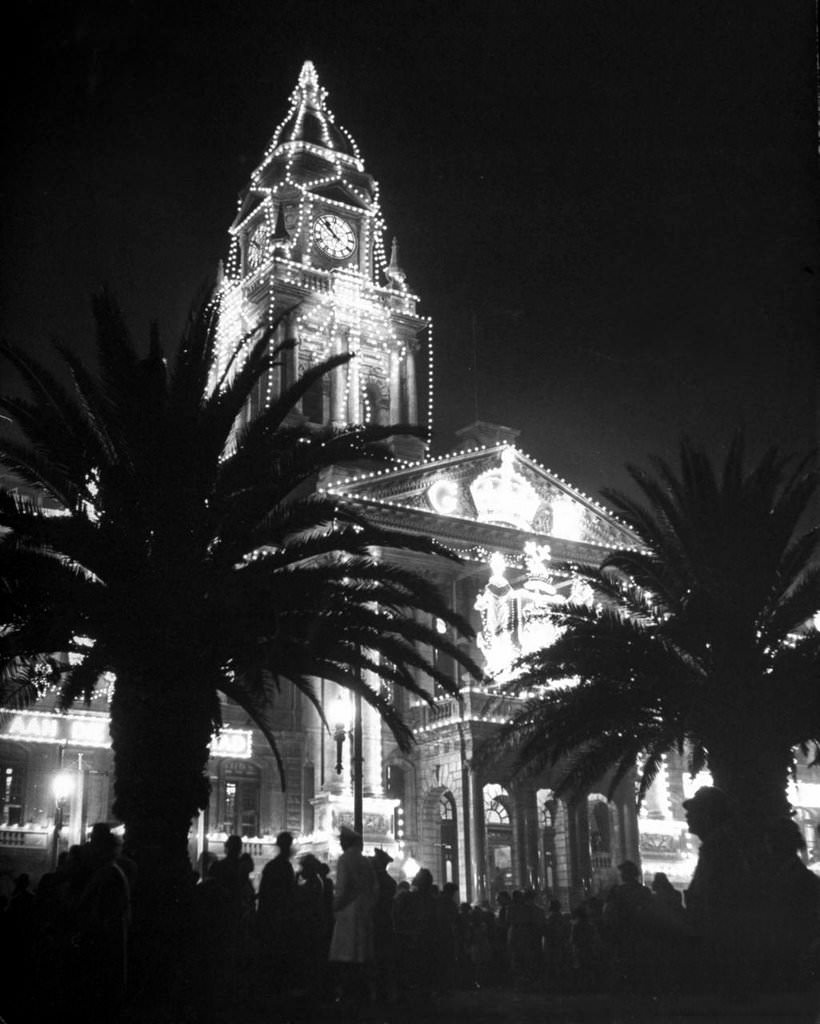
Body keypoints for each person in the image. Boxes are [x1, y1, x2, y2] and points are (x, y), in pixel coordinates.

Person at [328, 825, 377, 1018]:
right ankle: (363, 1000)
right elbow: (375, 889)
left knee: (346, 960)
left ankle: (347, 1001)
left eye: (341, 841)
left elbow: (342, 890)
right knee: (361, 959)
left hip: (347, 916)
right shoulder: (366, 862)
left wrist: (334, 907)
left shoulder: (344, 859)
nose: (340, 844)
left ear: (346, 843)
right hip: (363, 915)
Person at [257, 830, 297, 995]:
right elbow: (289, 895)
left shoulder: (271, 866)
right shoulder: (286, 867)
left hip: (271, 917)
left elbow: (264, 893)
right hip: (282, 918)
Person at [370, 847, 398, 1004]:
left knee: (377, 958)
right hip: (386, 923)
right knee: (384, 960)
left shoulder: (377, 880)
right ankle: (384, 992)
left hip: (376, 923)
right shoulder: (390, 882)